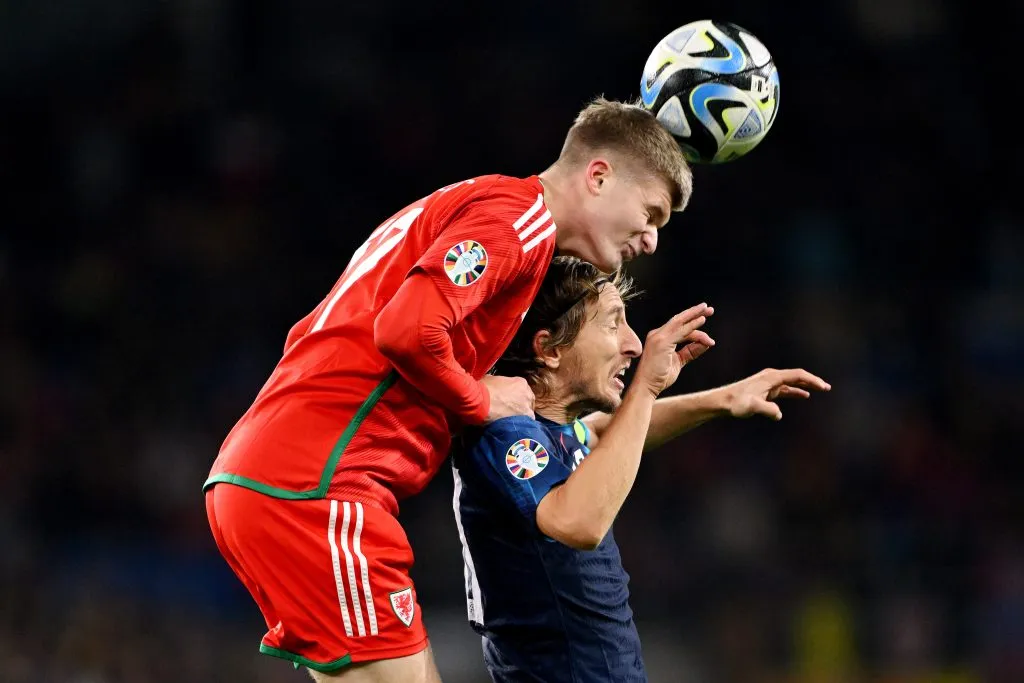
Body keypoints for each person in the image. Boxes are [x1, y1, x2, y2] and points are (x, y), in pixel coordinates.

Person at [202, 98, 693, 681]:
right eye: (651, 213)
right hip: (319, 487)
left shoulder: (490, 214)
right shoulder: (516, 220)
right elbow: (406, 330)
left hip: (291, 479)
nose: (651, 239)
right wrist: (482, 398)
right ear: (598, 176)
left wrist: (716, 401)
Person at [451, 256, 831, 682]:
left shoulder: (551, 431)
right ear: (551, 350)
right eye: (614, 324)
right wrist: (645, 389)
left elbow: (601, 432)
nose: (633, 344)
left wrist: (724, 400)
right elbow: (579, 522)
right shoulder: (504, 436)